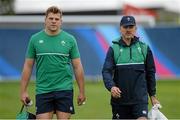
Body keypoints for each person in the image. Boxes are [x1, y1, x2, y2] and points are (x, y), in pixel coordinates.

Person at [20, 6, 86, 119]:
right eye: (51, 18)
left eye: (56, 19)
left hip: (64, 90)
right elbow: (28, 66)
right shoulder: (35, 39)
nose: (54, 21)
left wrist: (81, 91)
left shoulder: (70, 39)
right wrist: (23, 91)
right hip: (43, 90)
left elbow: (77, 66)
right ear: (45, 20)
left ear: (61, 21)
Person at [102, 16, 160, 119]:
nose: (128, 29)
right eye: (125, 27)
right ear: (120, 29)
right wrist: (111, 87)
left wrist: (153, 95)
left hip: (140, 100)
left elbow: (150, 73)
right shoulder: (113, 48)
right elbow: (106, 71)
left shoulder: (144, 48)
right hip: (119, 101)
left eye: (131, 26)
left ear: (135, 28)